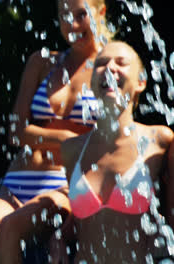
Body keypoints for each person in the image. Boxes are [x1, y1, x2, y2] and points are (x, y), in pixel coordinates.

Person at [0, 0, 112, 263]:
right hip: (17, 182)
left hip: (64, 187)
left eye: (80, 14)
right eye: (64, 16)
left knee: (8, 229)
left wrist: (40, 135)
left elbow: (109, 142)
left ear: (101, 11)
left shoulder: (110, 69)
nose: (72, 24)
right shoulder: (42, 62)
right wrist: (67, 139)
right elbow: (16, 132)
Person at [57, 41, 174, 262]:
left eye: (121, 63)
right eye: (101, 63)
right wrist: (57, 240)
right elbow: (78, 224)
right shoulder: (72, 150)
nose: (110, 68)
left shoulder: (160, 141)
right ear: (91, 82)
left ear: (141, 82)